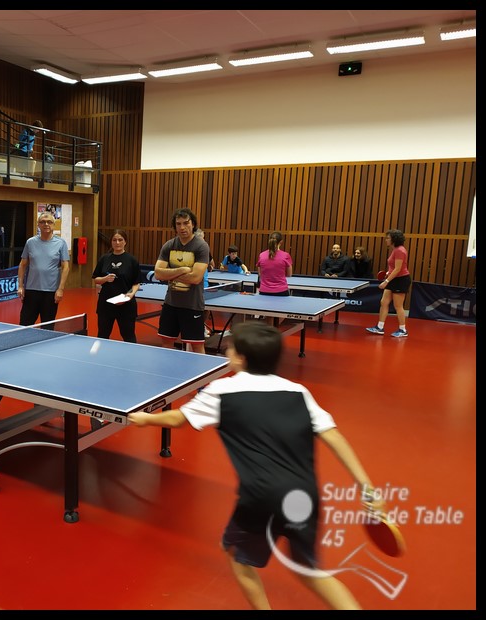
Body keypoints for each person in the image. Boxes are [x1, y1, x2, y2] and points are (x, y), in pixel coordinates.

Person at [127, 321, 384, 610]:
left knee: (238, 556)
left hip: (262, 497)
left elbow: (178, 419)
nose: (227, 351)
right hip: (304, 495)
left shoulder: (222, 391)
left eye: (230, 348)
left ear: (241, 358)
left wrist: (144, 419)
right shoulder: (298, 392)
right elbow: (333, 436)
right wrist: (367, 488)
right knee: (308, 571)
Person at [154, 208, 210, 354]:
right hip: (170, 304)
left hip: (192, 305)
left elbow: (195, 278)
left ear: (193, 224)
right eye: (178, 224)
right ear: (175, 226)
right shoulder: (169, 245)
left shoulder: (201, 246)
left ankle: (201, 369)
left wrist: (169, 274)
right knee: (166, 342)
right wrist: (182, 270)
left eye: (186, 223)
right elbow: (158, 273)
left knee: (197, 346)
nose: (182, 227)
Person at [17, 211, 70, 326]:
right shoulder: (30, 242)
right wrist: (20, 286)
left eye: (49, 222)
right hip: (31, 290)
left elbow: (65, 267)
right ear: (38, 225)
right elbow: (22, 264)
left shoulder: (61, 243)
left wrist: (60, 289)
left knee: (48, 326)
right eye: (43, 222)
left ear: (53, 225)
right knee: (25, 324)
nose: (46, 224)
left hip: (50, 292)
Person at [92, 229, 141, 342]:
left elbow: (136, 283)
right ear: (111, 242)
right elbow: (96, 280)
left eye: (120, 240)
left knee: (128, 336)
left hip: (126, 305)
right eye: (114, 240)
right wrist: (105, 279)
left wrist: (130, 295)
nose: (117, 242)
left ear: (125, 242)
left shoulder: (132, 260)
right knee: (103, 335)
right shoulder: (104, 259)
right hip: (106, 304)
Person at [366, 229, 411, 338]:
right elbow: (394, 267)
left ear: (394, 239)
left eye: (388, 238)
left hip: (401, 280)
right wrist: (388, 273)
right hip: (393, 278)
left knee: (398, 306)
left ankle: (403, 329)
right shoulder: (395, 249)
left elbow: (398, 269)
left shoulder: (400, 250)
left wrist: (386, 281)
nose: (386, 240)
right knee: (384, 302)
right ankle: (380, 327)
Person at [255, 231, 292, 296]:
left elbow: (260, 274)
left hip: (264, 291)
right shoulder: (286, 255)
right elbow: (289, 274)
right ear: (281, 242)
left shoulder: (261, 255)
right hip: (281, 291)